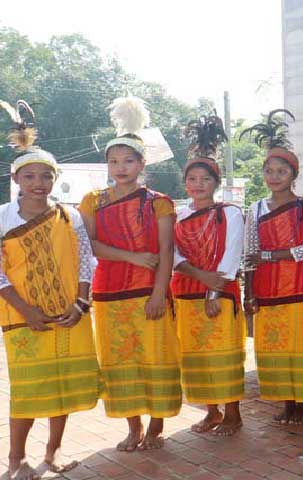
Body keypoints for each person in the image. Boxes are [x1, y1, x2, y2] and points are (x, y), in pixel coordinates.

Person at [0, 100, 99, 480]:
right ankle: (15, 459)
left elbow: (86, 261)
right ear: (16, 181)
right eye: (30, 177)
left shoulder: (69, 216)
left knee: (62, 388)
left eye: (46, 176)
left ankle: (53, 453)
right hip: (23, 318)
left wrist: (80, 303)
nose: (39, 183)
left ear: (54, 180)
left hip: (67, 315)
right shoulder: (4, 220)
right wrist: (26, 311)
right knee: (28, 390)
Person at [79, 96, 181, 451]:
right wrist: (135, 258)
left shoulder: (159, 202)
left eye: (128, 160)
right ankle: (132, 426)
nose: (120, 167)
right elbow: (90, 244)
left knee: (156, 355)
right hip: (108, 293)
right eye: (113, 161)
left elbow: (166, 251)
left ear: (142, 163)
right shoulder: (93, 200)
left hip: (147, 293)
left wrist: (157, 293)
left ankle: (156, 425)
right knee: (119, 360)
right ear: (106, 164)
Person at [241, 109, 303, 424]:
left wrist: (271, 256)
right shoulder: (255, 208)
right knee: (275, 348)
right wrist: (248, 294)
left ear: (293, 175)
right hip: (266, 291)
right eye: (269, 170)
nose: (274, 176)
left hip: (301, 289)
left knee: (301, 348)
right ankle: (286, 404)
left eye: (281, 171)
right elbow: (249, 253)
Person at [171, 113, 245, 436]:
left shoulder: (229, 212)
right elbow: (172, 254)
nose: (198, 185)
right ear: (185, 183)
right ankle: (211, 411)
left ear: (215, 183)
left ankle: (232, 413)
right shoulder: (178, 216)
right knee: (196, 356)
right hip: (186, 293)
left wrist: (214, 290)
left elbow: (232, 254)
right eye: (192, 180)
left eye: (205, 180)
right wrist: (198, 275)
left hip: (219, 293)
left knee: (222, 352)